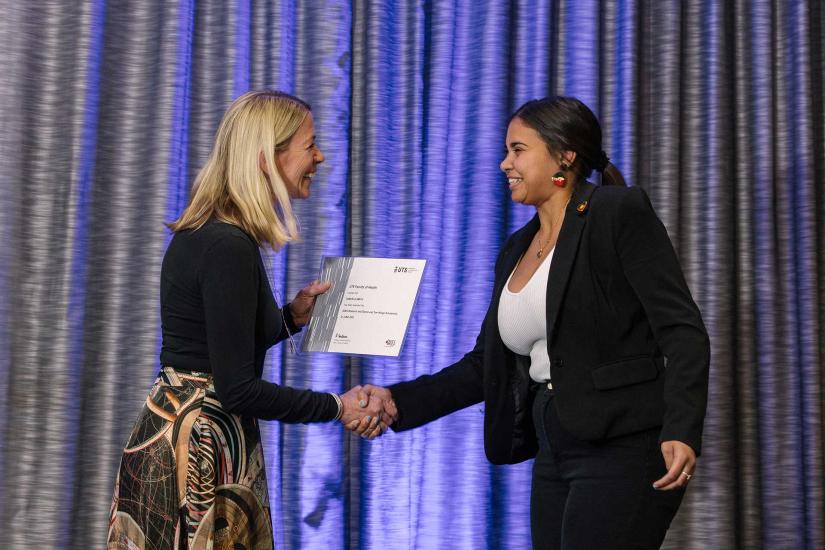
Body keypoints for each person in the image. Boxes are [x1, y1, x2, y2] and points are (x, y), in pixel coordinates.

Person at [356, 97, 710, 549]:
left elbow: (682, 330)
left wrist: (682, 428)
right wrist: (395, 401)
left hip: (626, 447)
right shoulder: (516, 247)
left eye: (518, 149)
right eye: (507, 151)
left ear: (565, 156)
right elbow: (485, 364)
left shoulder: (616, 213)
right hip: (554, 450)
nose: (505, 163)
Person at [108, 90, 390, 549]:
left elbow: (211, 342)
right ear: (266, 159)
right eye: (309, 145)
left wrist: (290, 319)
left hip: (181, 431)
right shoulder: (228, 246)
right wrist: (338, 406)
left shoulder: (211, 233)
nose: (320, 157)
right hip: (200, 445)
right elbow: (237, 387)